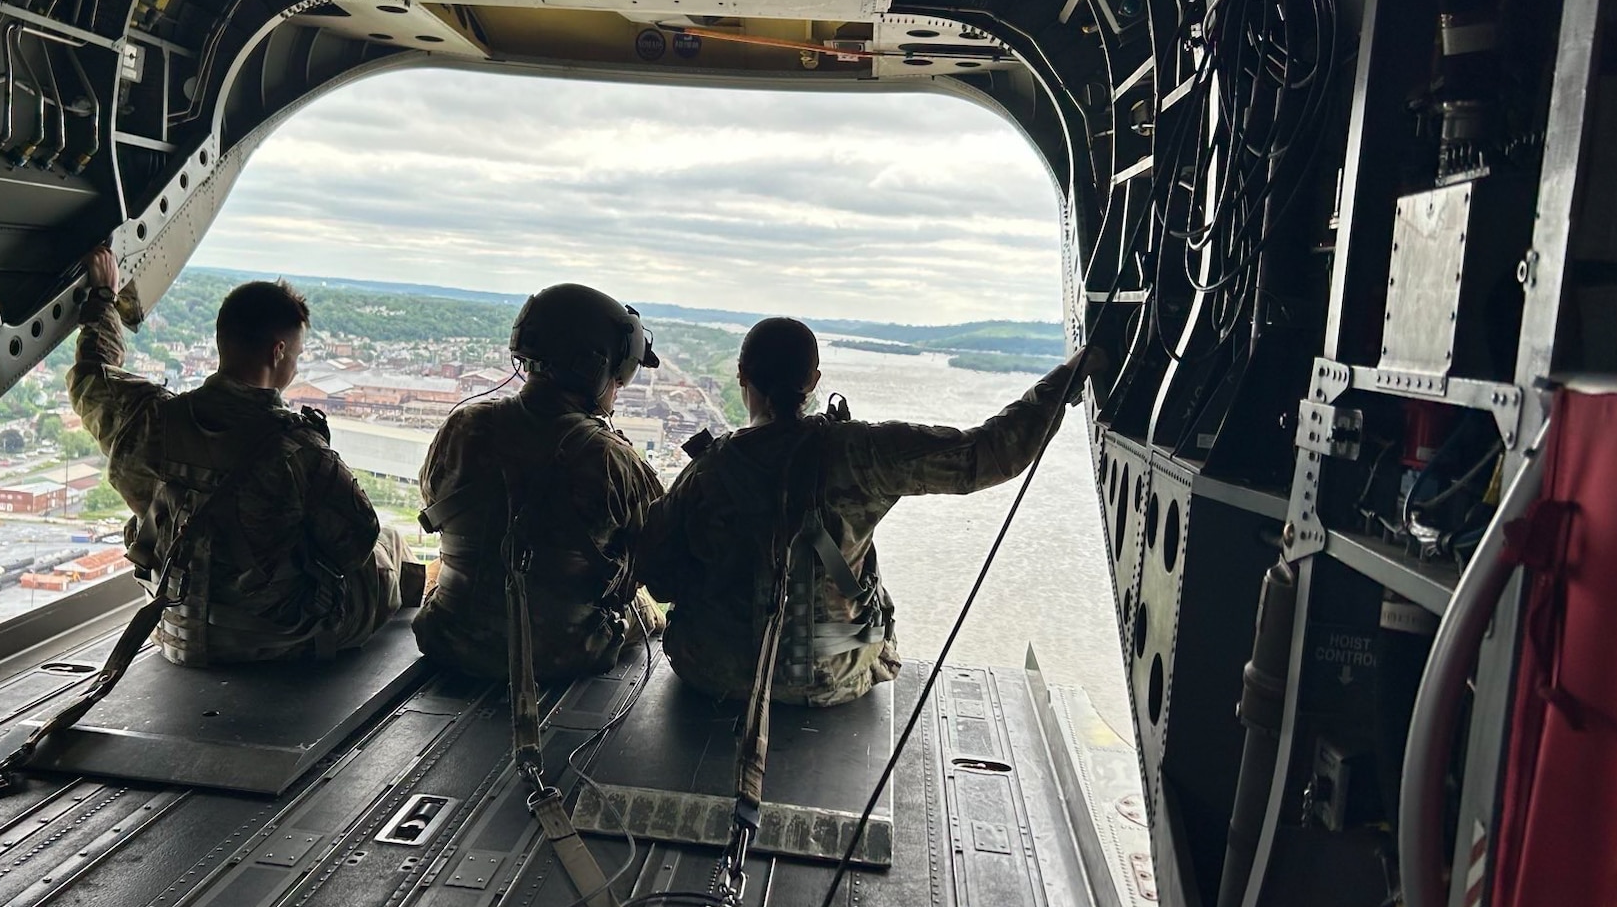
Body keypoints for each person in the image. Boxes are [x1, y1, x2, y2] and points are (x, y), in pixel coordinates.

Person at [637, 317, 1103, 708]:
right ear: (813, 382)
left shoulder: (707, 471)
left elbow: (659, 576)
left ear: (742, 375)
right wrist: (1065, 376)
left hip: (716, 671)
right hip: (834, 677)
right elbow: (989, 454)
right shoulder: (864, 452)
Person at [68, 246, 413, 666]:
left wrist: (104, 296)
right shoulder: (299, 450)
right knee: (388, 547)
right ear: (278, 352)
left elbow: (91, 373)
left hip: (172, 631)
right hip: (273, 641)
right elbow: (356, 544)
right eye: (297, 355)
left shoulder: (149, 418)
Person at [414, 283, 664, 681]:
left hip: (450, 637)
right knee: (649, 610)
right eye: (619, 375)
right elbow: (662, 558)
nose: (618, 388)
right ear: (596, 369)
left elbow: (433, 499)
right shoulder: (612, 458)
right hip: (561, 654)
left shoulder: (463, 426)